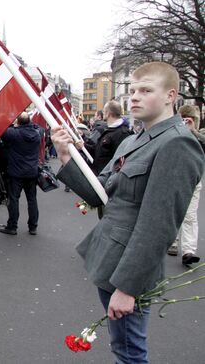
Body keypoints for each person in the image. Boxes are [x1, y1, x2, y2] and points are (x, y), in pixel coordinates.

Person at [52, 62, 204, 363]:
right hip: (111, 259)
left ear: (170, 96)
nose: (134, 97)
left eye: (146, 90)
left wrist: (129, 287)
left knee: (129, 353)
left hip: (128, 271)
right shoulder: (135, 140)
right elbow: (100, 194)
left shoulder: (178, 144)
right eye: (132, 90)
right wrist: (65, 155)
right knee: (123, 348)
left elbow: (158, 226)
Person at [167, 104, 203, 265]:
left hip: (194, 179)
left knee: (190, 216)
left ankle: (189, 250)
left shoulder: (200, 134)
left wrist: (194, 131)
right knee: (174, 211)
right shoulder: (173, 130)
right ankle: (172, 241)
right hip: (174, 177)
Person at [0, 112, 42, 236]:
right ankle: (33, 227)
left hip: (16, 173)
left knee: (14, 200)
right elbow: (40, 128)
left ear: (17, 121)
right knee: (32, 200)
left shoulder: (13, 133)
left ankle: (12, 226)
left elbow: (2, 130)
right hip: (31, 173)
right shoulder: (37, 133)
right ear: (29, 121)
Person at [87, 101, 133, 176]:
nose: (103, 113)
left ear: (108, 113)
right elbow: (98, 151)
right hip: (100, 176)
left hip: (108, 180)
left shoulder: (122, 133)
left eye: (104, 111)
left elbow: (120, 162)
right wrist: (83, 145)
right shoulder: (110, 130)